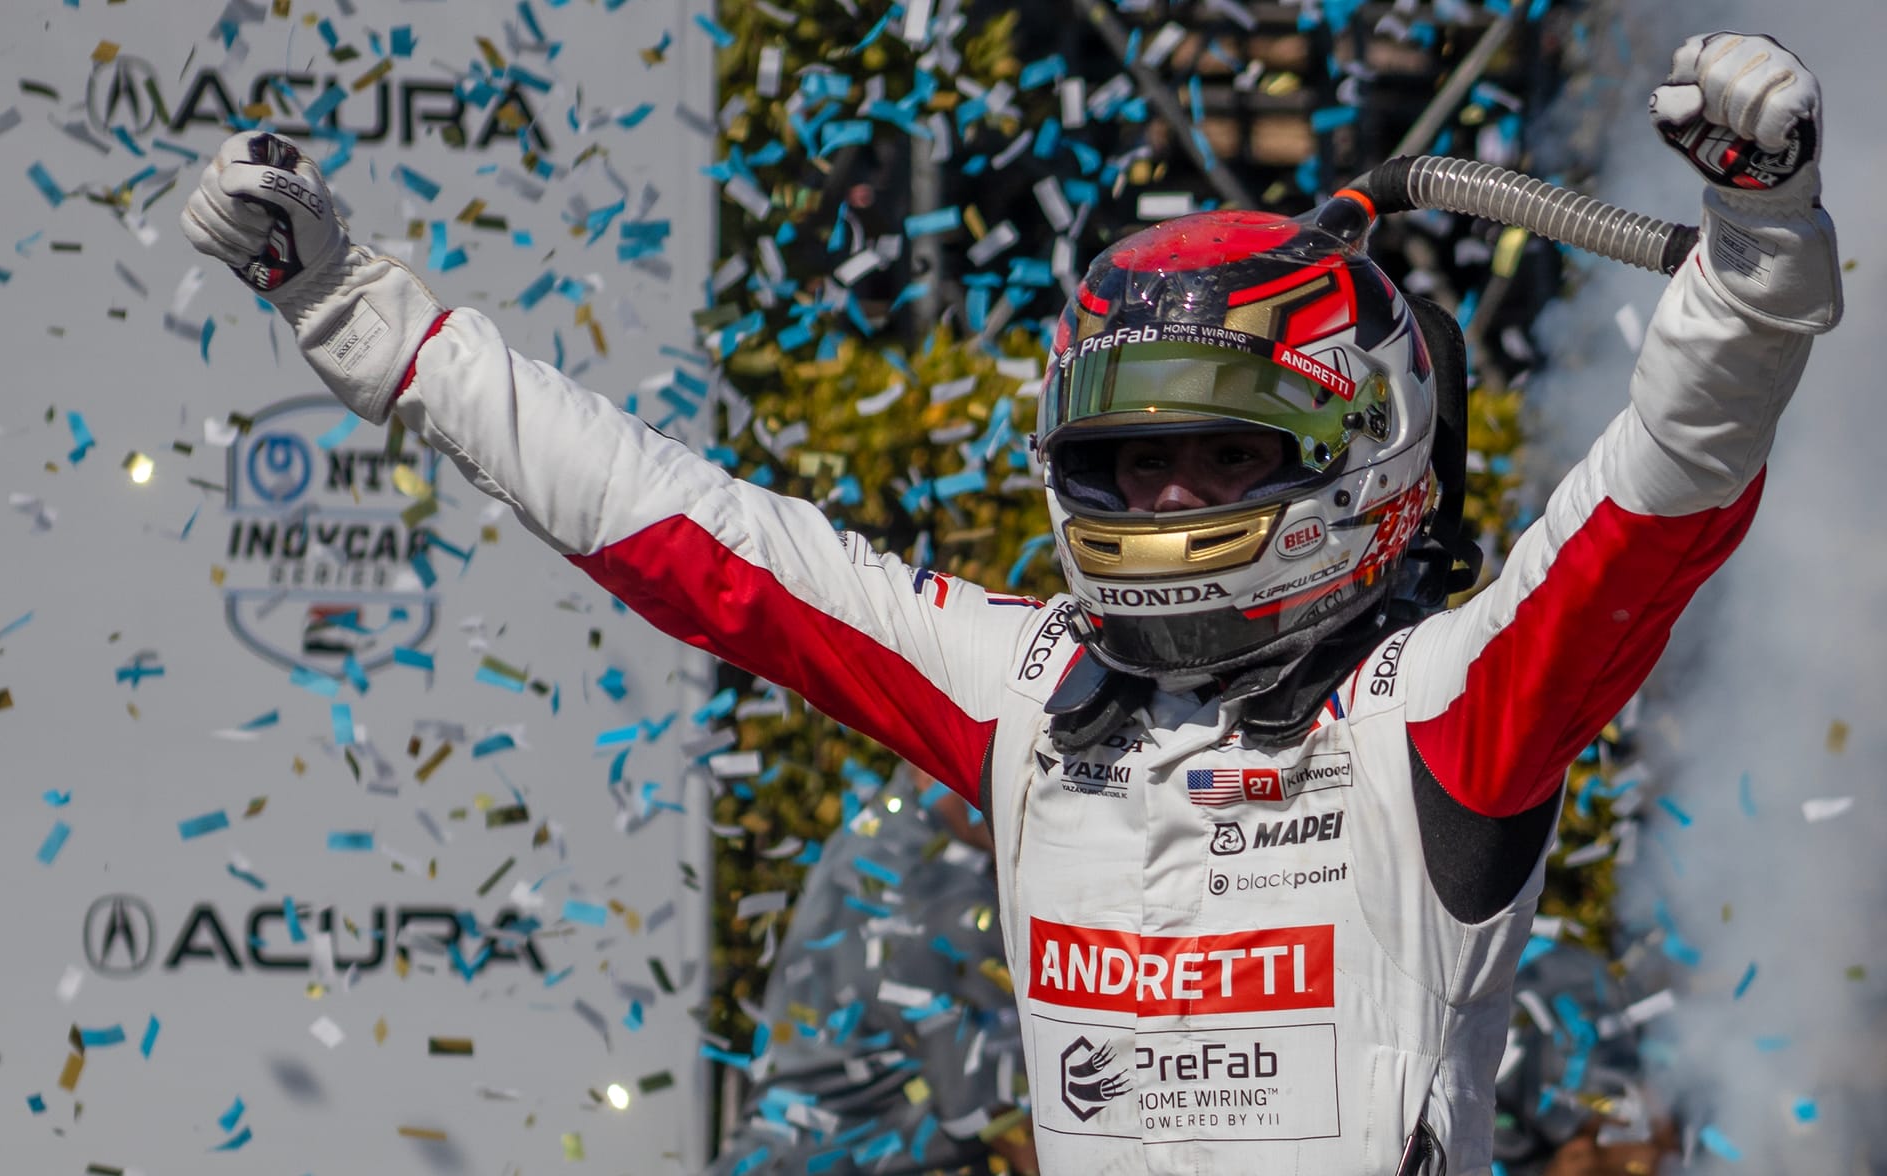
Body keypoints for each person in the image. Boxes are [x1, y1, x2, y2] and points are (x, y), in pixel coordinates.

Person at [181, 31, 1841, 1175]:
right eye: (1122, 463)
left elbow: (1661, 492)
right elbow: (690, 535)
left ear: (1363, 440)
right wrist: (377, 324)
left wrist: (1756, 253)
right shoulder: (1026, 688)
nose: (1160, 500)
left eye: (1213, 456)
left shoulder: (1444, 710)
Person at [701, 768, 1038, 1175]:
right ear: (927, 767)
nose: (1026, 799)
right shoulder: (938, 893)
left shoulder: (875, 832)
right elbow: (1009, 1116)